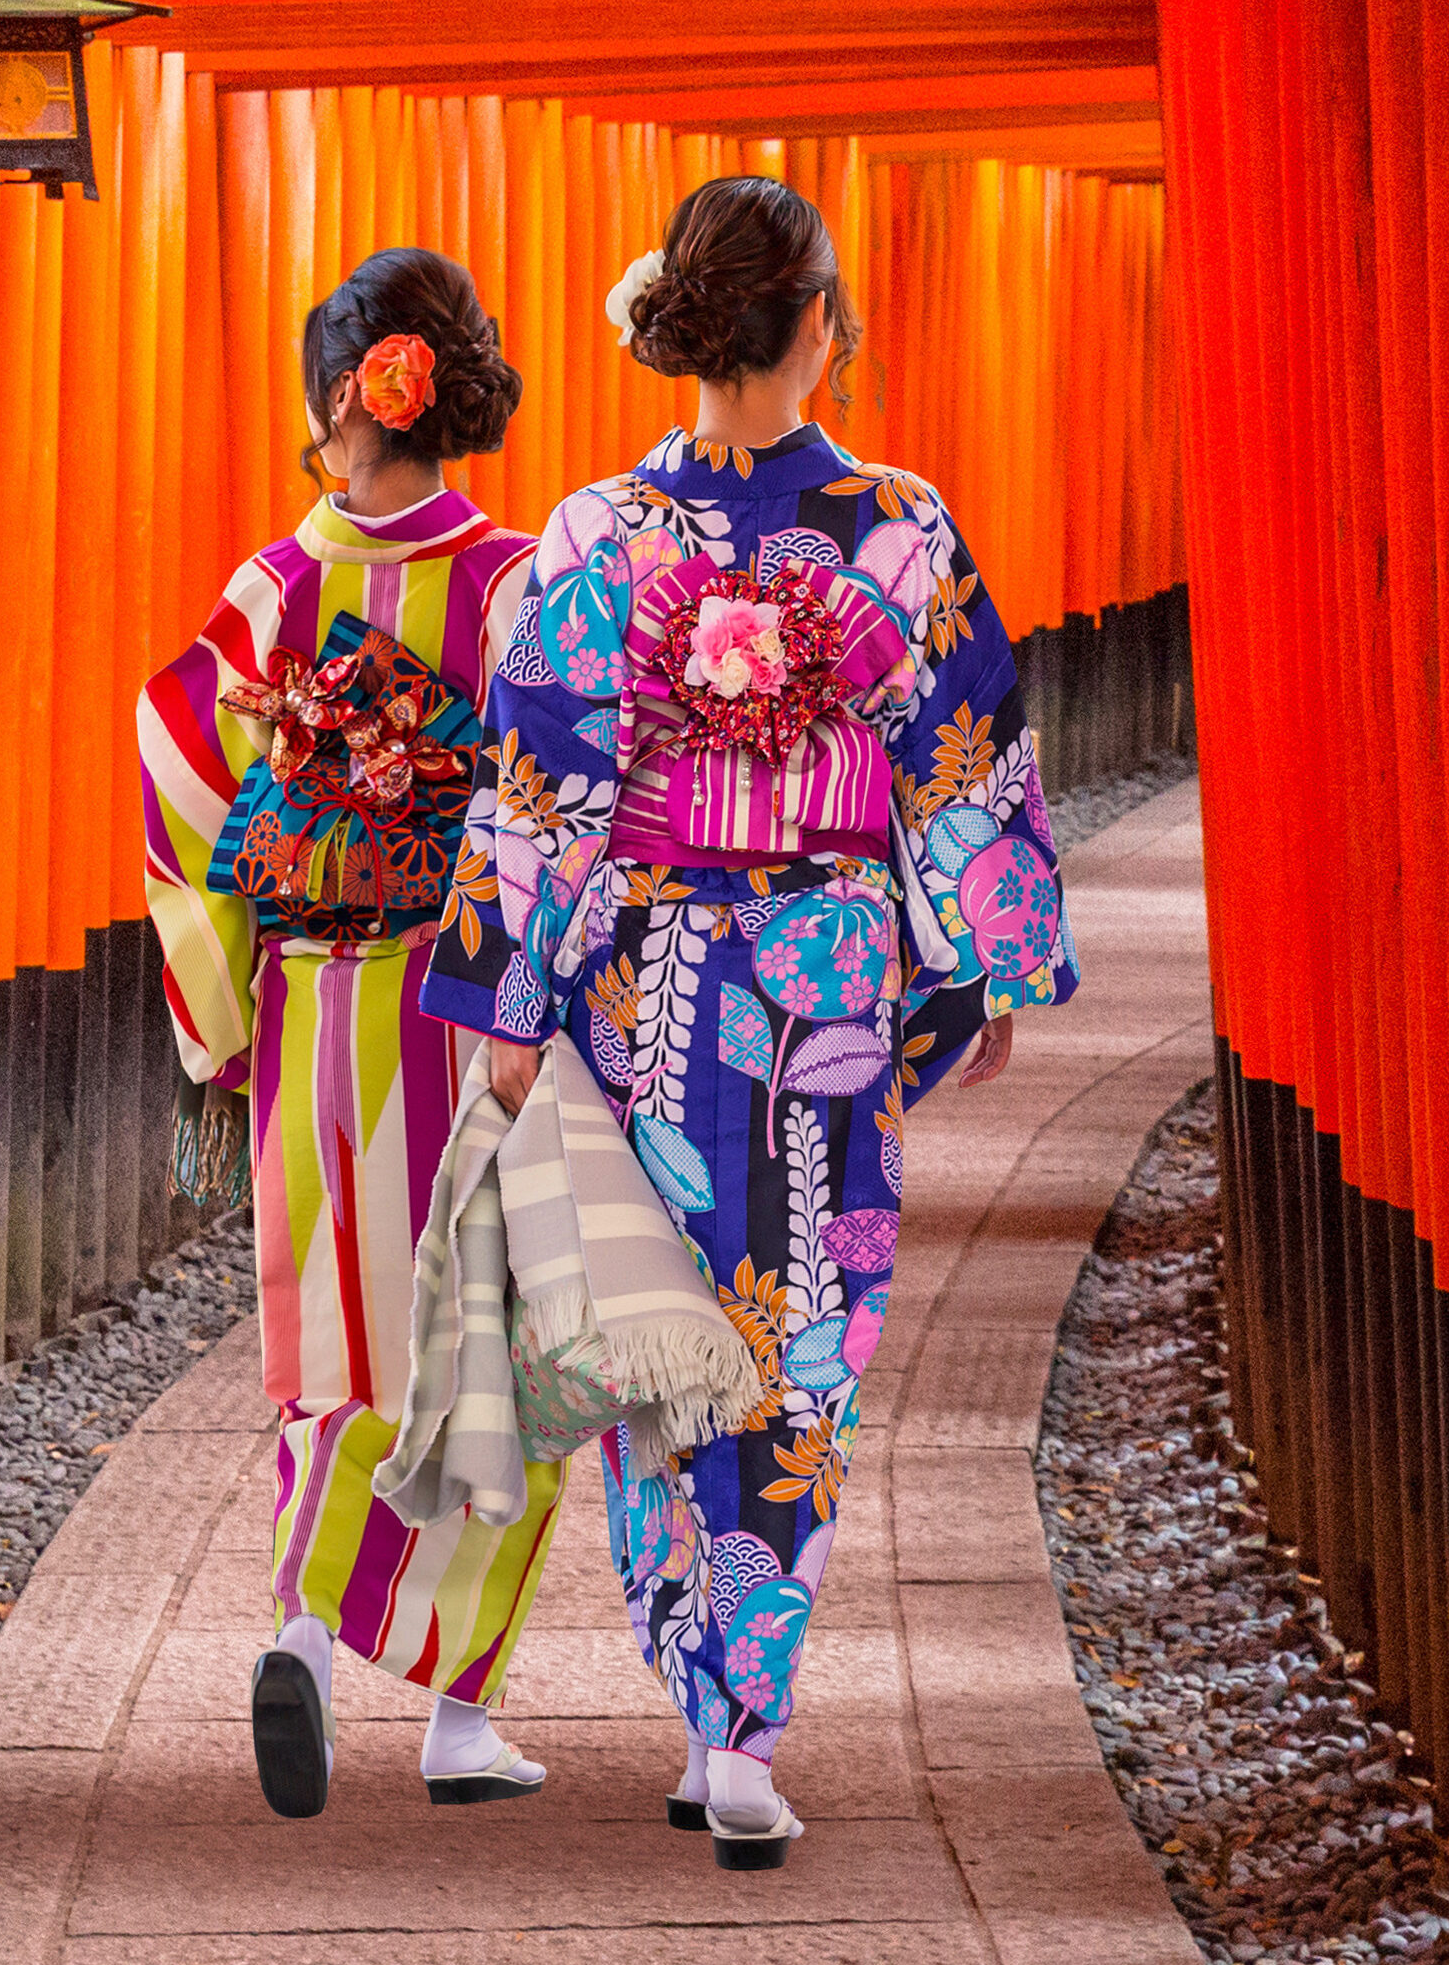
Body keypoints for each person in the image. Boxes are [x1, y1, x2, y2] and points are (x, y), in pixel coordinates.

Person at [422, 175, 1080, 1867]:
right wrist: (990, 956)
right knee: (800, 1341)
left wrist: (512, 995)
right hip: (826, 976)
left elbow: (538, 783)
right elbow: (962, 755)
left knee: (669, 1336)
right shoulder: (897, 529)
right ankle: (740, 1727)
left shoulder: (591, 538)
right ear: (817, 332)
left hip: (647, 980)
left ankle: (696, 1679)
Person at [136, 248, 567, 1819]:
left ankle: (305, 1631)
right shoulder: (518, 581)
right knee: (495, 1338)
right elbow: (550, 802)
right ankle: (459, 1715)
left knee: (335, 1325)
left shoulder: (269, 590)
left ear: (344, 399)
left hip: (316, 1001)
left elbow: (182, 772)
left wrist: (220, 996)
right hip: (474, 1008)